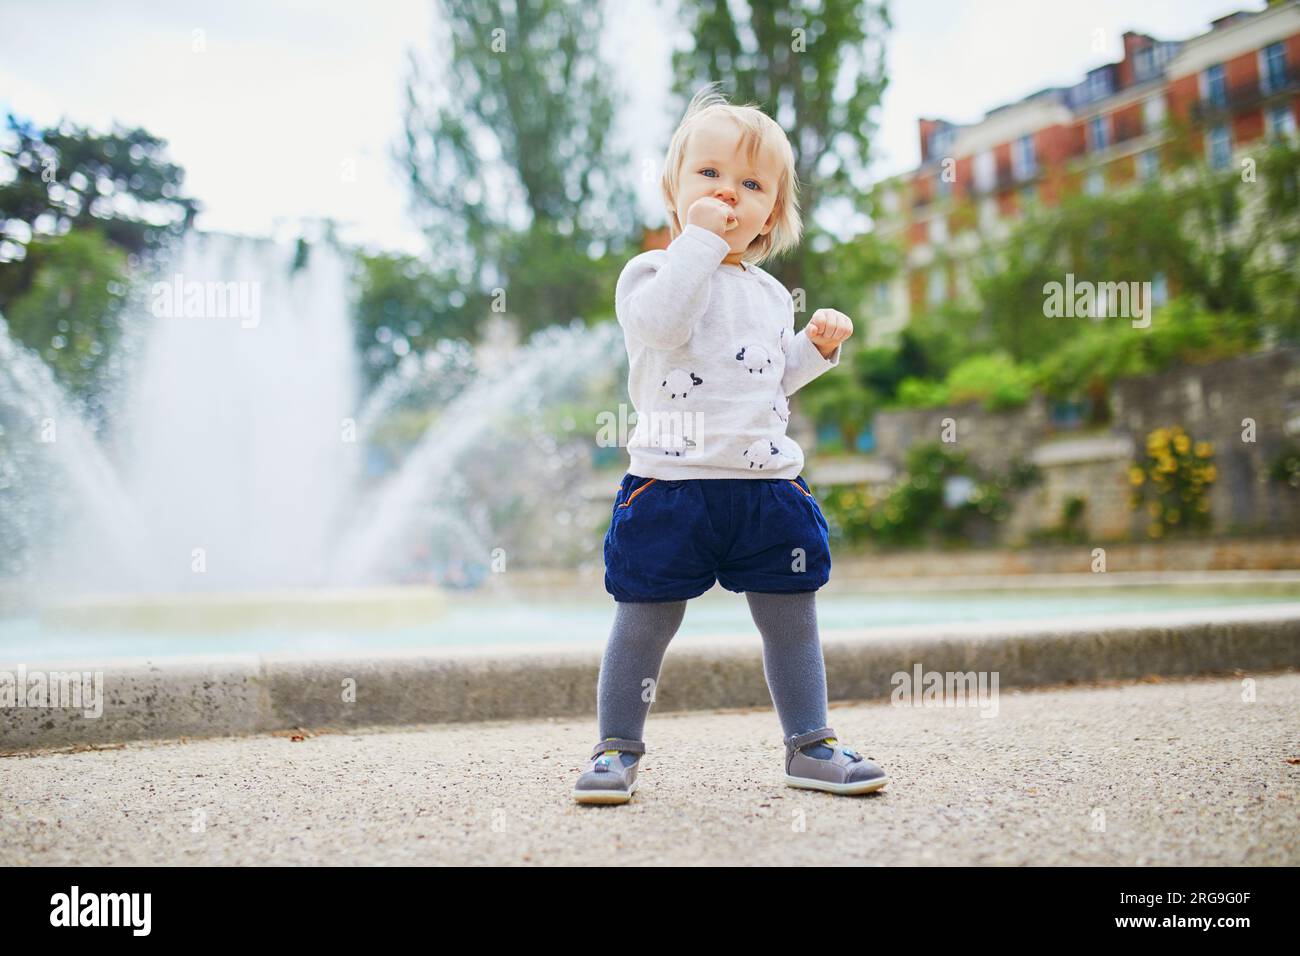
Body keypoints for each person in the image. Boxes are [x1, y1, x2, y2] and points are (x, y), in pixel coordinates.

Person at [574, 83, 889, 804]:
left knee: (792, 619)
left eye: (751, 184)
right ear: (673, 190)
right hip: (670, 489)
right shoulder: (653, 271)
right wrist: (698, 241)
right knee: (644, 623)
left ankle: (810, 745)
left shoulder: (772, 294)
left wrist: (813, 348)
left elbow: (768, 379)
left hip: (766, 490)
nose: (728, 193)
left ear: (771, 214)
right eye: (709, 176)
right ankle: (615, 749)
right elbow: (661, 327)